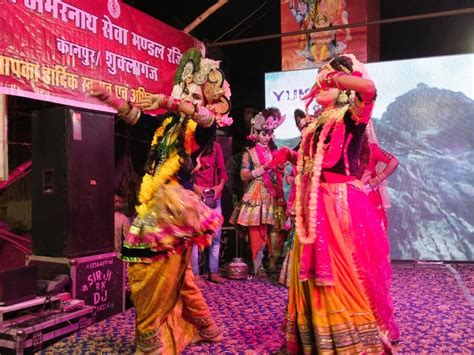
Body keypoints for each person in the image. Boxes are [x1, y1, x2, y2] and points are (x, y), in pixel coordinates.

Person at [92, 48, 232, 354]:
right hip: (154, 202)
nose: (187, 97)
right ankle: (206, 327)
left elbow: (207, 118)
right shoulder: (166, 126)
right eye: (184, 92)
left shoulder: (200, 128)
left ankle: (150, 340)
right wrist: (108, 98)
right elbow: (136, 118)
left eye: (194, 94)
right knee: (179, 276)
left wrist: (168, 102)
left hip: (174, 207)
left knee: (149, 273)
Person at [272, 55, 398, 352]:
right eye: (320, 76)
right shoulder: (315, 122)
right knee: (310, 276)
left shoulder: (351, 116)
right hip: (312, 204)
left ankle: (348, 342)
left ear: (343, 85)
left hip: (338, 203)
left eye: (329, 77)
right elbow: (312, 161)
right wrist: (289, 157)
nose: (322, 81)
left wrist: (337, 78)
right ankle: (314, 340)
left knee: (340, 272)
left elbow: (369, 91)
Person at [230, 108, 286, 276]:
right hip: (257, 192)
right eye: (264, 133)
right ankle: (257, 264)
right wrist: (263, 168)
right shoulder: (250, 153)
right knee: (257, 230)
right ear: (256, 133)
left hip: (274, 193)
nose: (267, 137)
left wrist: (280, 169)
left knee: (276, 230)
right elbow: (243, 175)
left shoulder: (275, 151)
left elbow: (279, 172)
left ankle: (273, 261)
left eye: (270, 133)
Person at [191, 137, 228, 284]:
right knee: (196, 237)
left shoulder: (216, 147)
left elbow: (222, 172)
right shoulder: (191, 145)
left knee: (216, 236)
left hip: (214, 196)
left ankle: (213, 271)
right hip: (196, 196)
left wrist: (219, 187)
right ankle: (195, 274)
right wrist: (195, 187)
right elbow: (185, 174)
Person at [358, 124, 399, 232]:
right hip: (349, 193)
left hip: (365, 194)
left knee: (367, 231)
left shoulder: (372, 148)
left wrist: (377, 180)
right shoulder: (347, 147)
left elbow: (394, 162)